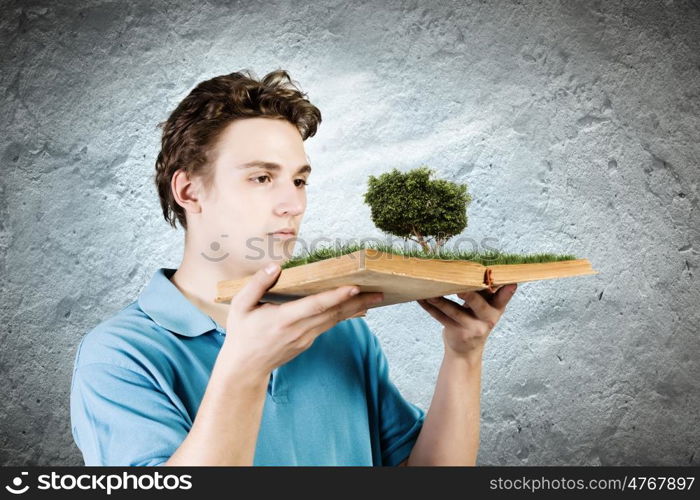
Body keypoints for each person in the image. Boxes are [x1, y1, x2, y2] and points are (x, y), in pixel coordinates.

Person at [70, 69, 518, 466]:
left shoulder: (339, 329)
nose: (294, 204)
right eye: (262, 177)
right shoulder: (120, 356)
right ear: (189, 192)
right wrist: (245, 369)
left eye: (299, 180)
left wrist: (464, 354)